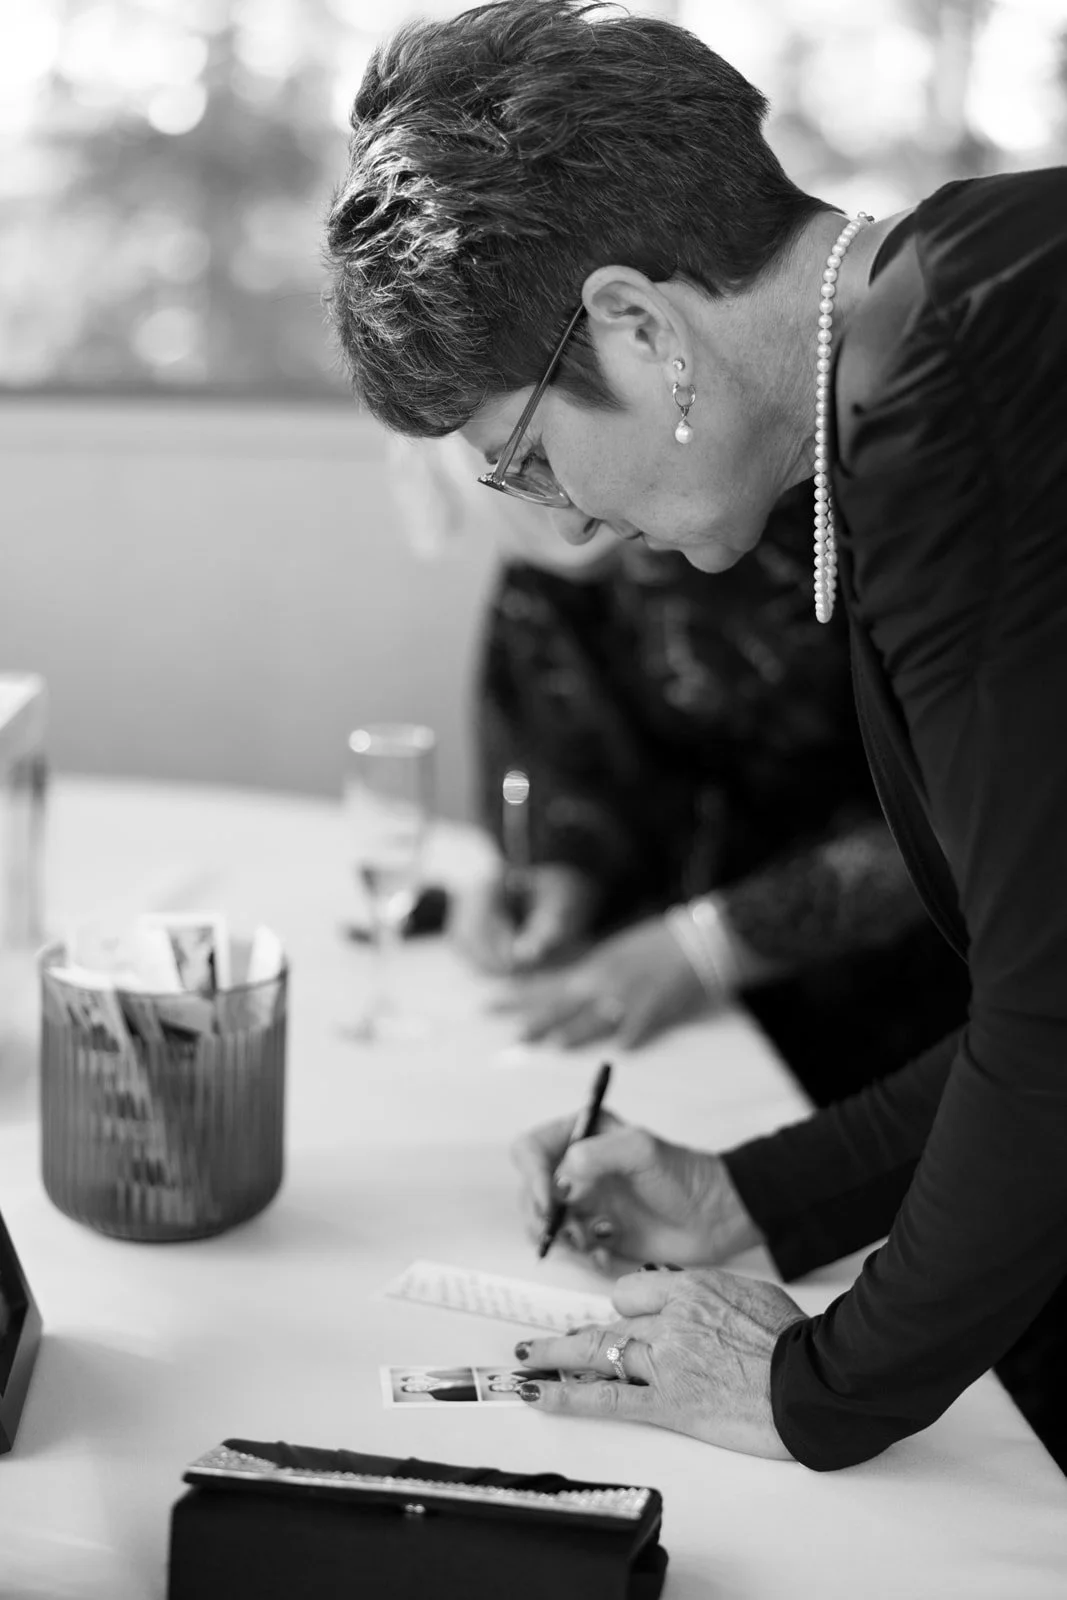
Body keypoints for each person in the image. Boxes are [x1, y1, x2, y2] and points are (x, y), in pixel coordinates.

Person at [324, 1, 1067, 1473]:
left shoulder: (931, 387)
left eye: (528, 459)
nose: (569, 521)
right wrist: (756, 1202)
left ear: (640, 325)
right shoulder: (951, 310)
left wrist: (806, 1387)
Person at [458, 481, 968, 1103]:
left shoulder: (832, 502)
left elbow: (965, 812)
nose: (568, 524)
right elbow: (563, 740)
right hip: (666, 998)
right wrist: (560, 870)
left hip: (895, 1005)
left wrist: (716, 942)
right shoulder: (546, 536)